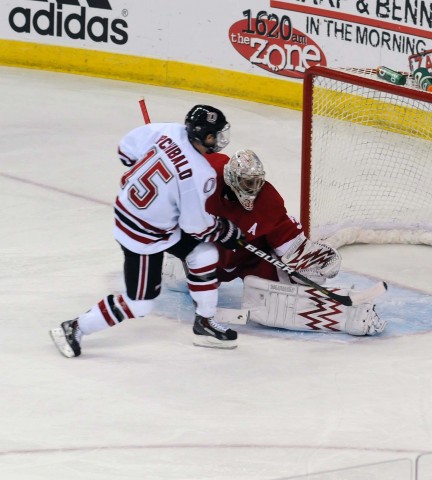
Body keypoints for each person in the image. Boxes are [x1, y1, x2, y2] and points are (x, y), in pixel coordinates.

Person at [49, 105, 244, 358]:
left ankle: (204, 322)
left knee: (203, 255)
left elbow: (126, 151)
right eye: (213, 135)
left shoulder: (168, 130)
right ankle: (74, 327)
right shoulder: (200, 173)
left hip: (143, 215)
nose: (218, 140)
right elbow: (195, 226)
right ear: (203, 135)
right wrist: (224, 231)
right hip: (143, 236)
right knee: (139, 303)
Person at [163, 149, 387, 336]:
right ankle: (174, 267)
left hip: (249, 259)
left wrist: (312, 258)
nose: (253, 188)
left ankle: (348, 317)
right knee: (177, 278)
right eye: (246, 182)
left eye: (256, 182)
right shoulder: (207, 178)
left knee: (277, 300)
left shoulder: (267, 200)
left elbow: (290, 244)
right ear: (231, 179)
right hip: (207, 256)